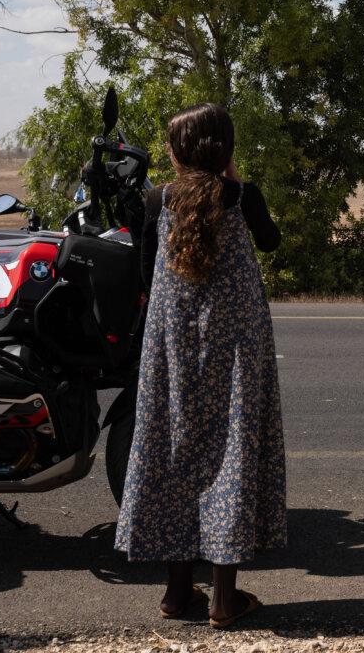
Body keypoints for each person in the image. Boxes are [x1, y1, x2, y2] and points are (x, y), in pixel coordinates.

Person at [116, 103, 286, 628]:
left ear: (175, 152)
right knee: (230, 454)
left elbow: (146, 273)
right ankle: (222, 599)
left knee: (175, 451)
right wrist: (232, 177)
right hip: (235, 353)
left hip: (171, 352)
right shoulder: (242, 197)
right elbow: (271, 241)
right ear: (226, 151)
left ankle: (174, 594)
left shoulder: (154, 201)